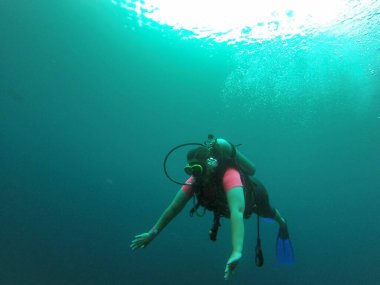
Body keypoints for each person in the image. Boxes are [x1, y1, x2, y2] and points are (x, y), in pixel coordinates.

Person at [130, 135, 294, 280]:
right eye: (191, 170)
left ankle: (282, 222)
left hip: (256, 196)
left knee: (267, 212)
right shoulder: (195, 179)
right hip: (223, 206)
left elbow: (237, 211)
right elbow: (174, 207)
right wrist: (153, 233)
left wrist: (237, 251)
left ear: (209, 166)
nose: (194, 174)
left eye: (198, 169)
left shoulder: (229, 175)